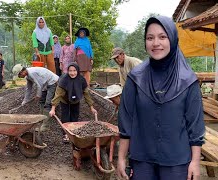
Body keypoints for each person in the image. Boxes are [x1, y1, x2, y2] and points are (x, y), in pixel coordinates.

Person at [116, 16, 205, 180]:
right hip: (142, 159)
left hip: (176, 161)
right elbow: (126, 121)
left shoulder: (188, 80)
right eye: (150, 38)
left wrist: (195, 162)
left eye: (162, 37)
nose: (155, 43)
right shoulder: (136, 78)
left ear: (172, 38)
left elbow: (195, 125)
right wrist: (121, 158)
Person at [49, 63, 97, 142]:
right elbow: (58, 95)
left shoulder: (81, 79)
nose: (72, 73)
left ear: (77, 71)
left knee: (75, 117)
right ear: (67, 71)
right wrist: (53, 109)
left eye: (74, 70)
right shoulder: (64, 80)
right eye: (70, 71)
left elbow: (86, 94)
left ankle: (73, 132)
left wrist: (91, 107)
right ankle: (66, 134)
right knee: (65, 117)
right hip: (65, 100)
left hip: (76, 100)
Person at [12, 64, 59, 131]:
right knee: (42, 101)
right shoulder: (28, 76)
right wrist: (25, 100)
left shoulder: (32, 73)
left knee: (48, 103)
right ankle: (42, 120)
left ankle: (46, 126)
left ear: (22, 71)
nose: (19, 77)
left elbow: (39, 85)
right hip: (45, 84)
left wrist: (38, 95)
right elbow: (29, 88)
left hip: (52, 82)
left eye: (19, 75)